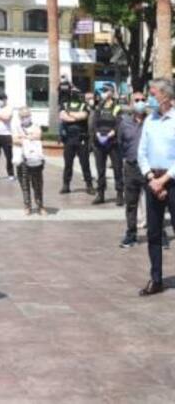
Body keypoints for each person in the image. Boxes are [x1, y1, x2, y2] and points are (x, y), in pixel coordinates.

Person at [137, 79, 175, 296]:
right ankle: (156, 279)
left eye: (153, 93)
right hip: (152, 179)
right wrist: (151, 178)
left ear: (166, 96)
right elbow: (142, 152)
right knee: (153, 233)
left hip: (172, 180)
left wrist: (165, 180)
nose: (150, 97)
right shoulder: (150, 120)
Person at [120, 92, 149, 247]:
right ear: (131, 103)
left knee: (154, 204)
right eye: (137, 100)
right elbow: (120, 144)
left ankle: (158, 235)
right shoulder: (124, 123)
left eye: (143, 100)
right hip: (131, 167)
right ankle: (131, 234)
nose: (140, 102)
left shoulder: (152, 121)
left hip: (150, 169)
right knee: (131, 203)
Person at [59, 87, 94, 195]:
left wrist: (70, 115)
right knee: (68, 164)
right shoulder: (65, 104)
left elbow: (83, 116)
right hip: (69, 139)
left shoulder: (84, 105)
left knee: (85, 164)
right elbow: (62, 116)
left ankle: (89, 185)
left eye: (76, 93)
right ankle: (66, 185)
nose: (74, 94)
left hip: (81, 138)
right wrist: (74, 117)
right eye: (72, 92)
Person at [92, 89, 124, 205]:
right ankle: (100, 194)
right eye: (103, 92)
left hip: (113, 142)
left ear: (111, 93)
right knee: (100, 170)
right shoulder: (99, 107)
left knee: (117, 168)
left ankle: (119, 194)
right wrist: (97, 133)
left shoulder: (116, 107)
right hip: (99, 142)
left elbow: (119, 123)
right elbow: (94, 122)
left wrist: (112, 133)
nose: (104, 93)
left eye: (105, 91)